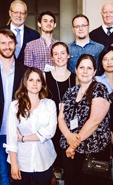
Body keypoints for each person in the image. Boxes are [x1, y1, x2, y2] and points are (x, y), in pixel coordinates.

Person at [58, 54, 111, 185]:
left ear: (94, 71)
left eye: (89, 68)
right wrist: (68, 136)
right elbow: (60, 117)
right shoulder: (70, 91)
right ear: (76, 70)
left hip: (91, 152)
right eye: (81, 67)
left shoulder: (99, 89)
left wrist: (73, 144)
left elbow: (94, 121)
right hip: (69, 152)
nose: (85, 71)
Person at [0, 29, 28, 185]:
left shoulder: (25, 72)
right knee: (2, 176)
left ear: (16, 45)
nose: (7, 46)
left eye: (10, 43)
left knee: (20, 175)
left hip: (20, 133)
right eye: (3, 43)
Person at [5, 67, 57, 185]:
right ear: (25, 82)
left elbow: (50, 132)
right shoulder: (15, 106)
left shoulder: (50, 105)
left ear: (42, 84)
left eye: (38, 80)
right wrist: (14, 165)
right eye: (31, 80)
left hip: (44, 162)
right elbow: (12, 138)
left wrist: (23, 138)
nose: (35, 83)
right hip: (22, 163)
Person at [44, 42, 76, 170]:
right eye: (55, 54)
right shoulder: (44, 77)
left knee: (70, 169)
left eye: (63, 53)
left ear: (68, 55)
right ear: (52, 57)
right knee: (52, 169)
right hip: (51, 128)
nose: (59, 57)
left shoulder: (76, 78)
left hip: (71, 129)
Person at [0, 0, 40, 64]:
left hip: (26, 72)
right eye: (15, 12)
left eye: (22, 13)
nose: (18, 15)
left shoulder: (35, 35)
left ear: (26, 15)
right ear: (10, 13)